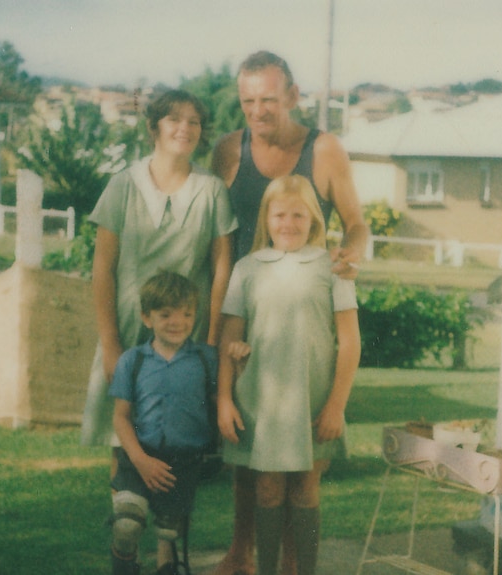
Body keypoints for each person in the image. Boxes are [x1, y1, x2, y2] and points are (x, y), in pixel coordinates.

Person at [210, 50, 368, 575]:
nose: (257, 111)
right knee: (246, 460)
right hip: (243, 312)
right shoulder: (229, 150)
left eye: (269, 101)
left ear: (294, 97)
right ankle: (241, 554)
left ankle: (296, 566)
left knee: (301, 472)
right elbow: (215, 235)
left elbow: (356, 223)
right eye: (248, 101)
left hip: (304, 325)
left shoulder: (324, 150)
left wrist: (348, 257)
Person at [217, 175, 361, 575]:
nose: (288, 223)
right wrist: (225, 398)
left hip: (313, 400)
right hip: (260, 399)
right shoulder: (248, 268)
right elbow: (230, 335)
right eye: (280, 214)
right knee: (266, 489)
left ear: (314, 219)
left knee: (305, 487)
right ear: (267, 217)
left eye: (299, 215)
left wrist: (336, 406)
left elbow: (350, 343)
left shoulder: (332, 268)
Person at [80, 88, 236, 448]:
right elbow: (102, 269)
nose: (185, 128)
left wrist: (210, 343)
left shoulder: (211, 190)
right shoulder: (123, 185)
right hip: (130, 325)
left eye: (194, 121)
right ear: (153, 128)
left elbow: (221, 271)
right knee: (123, 432)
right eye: (174, 119)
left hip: (187, 329)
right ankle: (125, 503)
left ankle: (170, 504)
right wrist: (110, 344)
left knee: (177, 435)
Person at [109, 271, 218, 575]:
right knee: (127, 526)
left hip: (181, 464)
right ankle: (124, 565)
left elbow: (223, 399)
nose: (177, 322)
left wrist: (240, 359)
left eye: (186, 314)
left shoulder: (205, 359)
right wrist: (140, 459)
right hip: (140, 456)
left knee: (169, 534)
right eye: (166, 314)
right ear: (147, 317)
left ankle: (167, 567)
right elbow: (120, 417)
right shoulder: (133, 361)